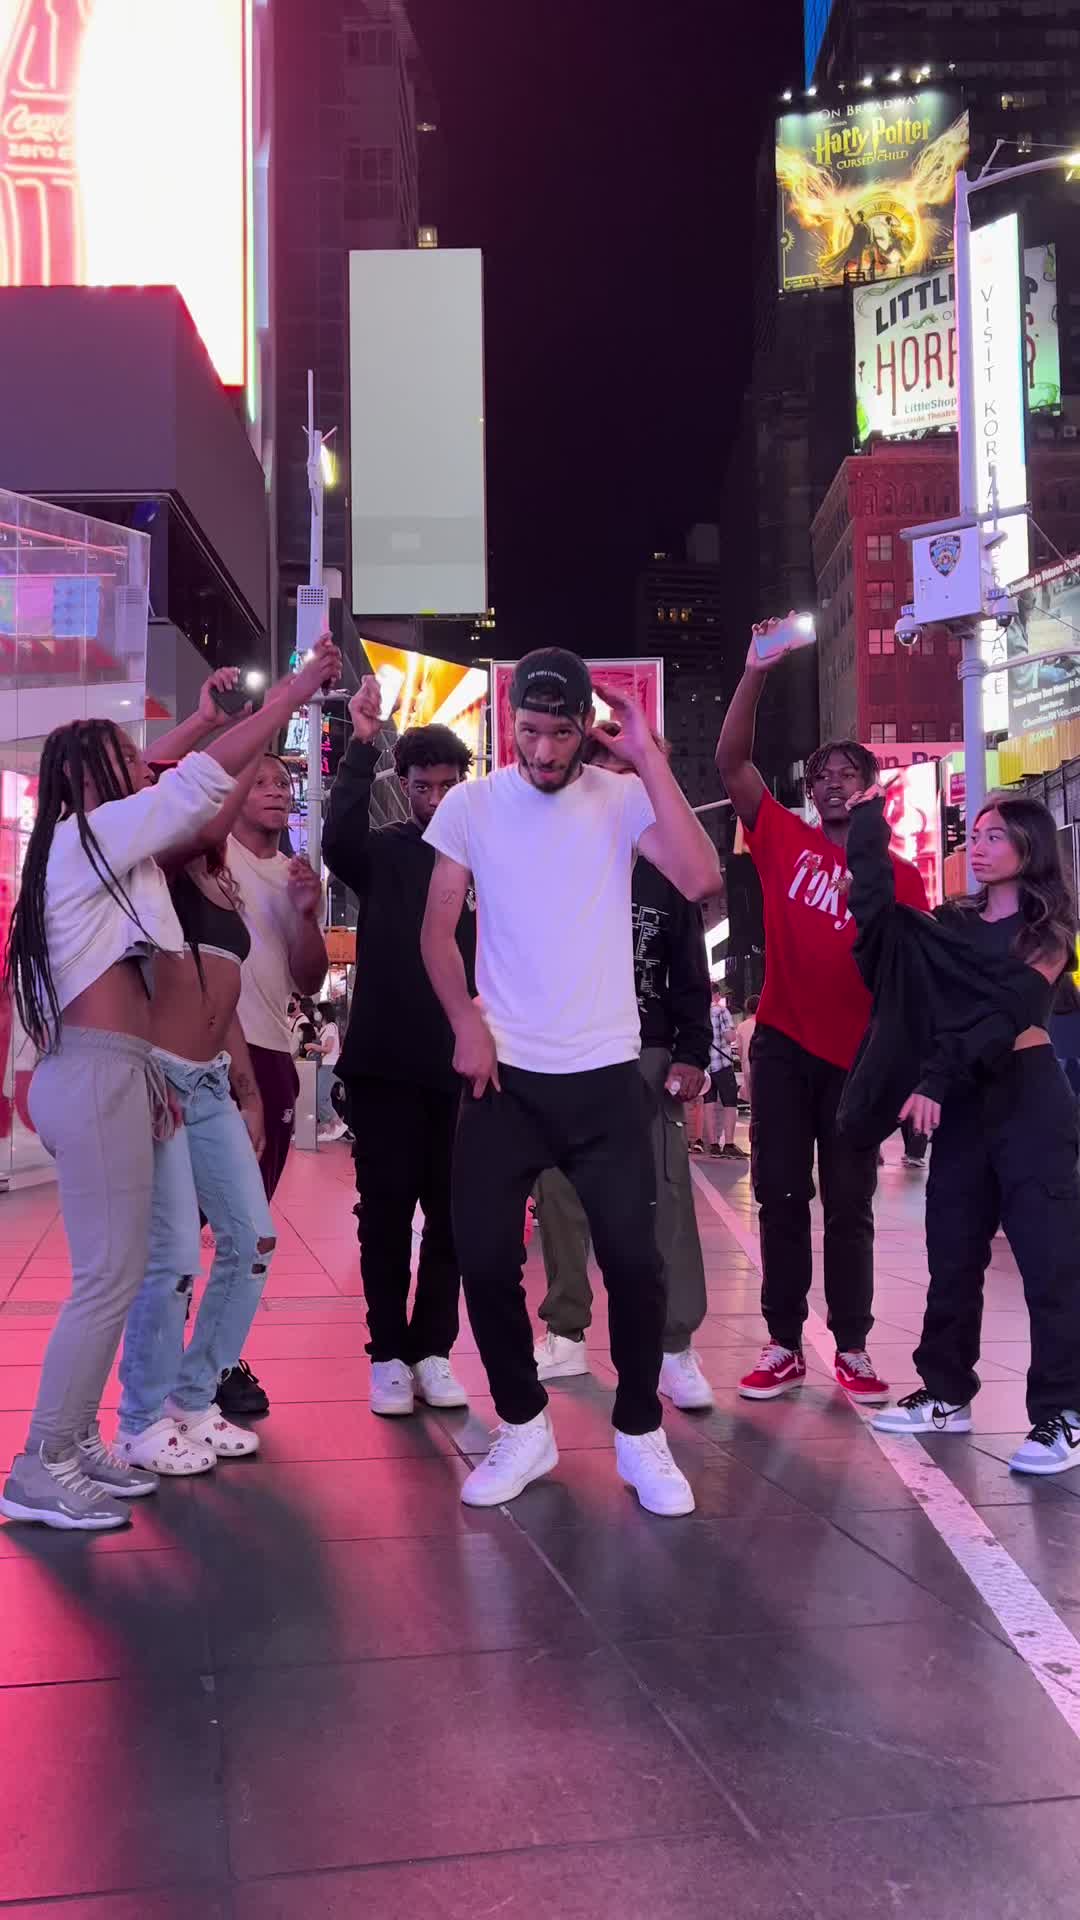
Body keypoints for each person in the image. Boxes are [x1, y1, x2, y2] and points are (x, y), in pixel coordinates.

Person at [0, 670, 316, 1529]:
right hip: (98, 1071)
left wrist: (205, 717)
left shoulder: (101, 848)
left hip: (120, 1069)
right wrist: (288, 699)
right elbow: (192, 784)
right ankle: (41, 1461)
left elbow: (166, 775)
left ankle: (74, 1441)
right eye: (127, 758)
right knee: (109, 1277)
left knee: (124, 1270)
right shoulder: (90, 837)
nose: (146, 765)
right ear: (89, 780)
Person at [421, 646, 721, 1515]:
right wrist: (465, 1023)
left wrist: (648, 755)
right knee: (482, 1256)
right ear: (508, 722)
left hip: (604, 1074)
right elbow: (437, 930)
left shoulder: (620, 799)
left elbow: (700, 877)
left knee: (634, 1263)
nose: (545, 751)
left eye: (560, 734)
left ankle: (639, 1432)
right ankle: (524, 1424)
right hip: (506, 1076)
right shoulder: (473, 805)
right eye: (529, 731)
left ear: (586, 727)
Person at [111, 643, 340, 1477]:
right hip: (160, 1077)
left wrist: (242, 1084)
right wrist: (275, 704)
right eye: (254, 781)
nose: (260, 789)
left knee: (251, 1239)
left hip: (214, 1078)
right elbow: (185, 779)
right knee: (174, 1257)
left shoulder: (230, 880)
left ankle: (194, 1397)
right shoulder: (167, 861)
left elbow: (230, 991)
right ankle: (141, 1417)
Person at [715, 615, 928, 1406]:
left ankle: (854, 1347)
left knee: (849, 1207)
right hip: (783, 1046)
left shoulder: (903, 879)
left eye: (847, 773)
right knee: (779, 1196)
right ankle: (782, 1344)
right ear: (809, 791)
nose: (831, 782)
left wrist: (913, 1073)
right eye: (821, 774)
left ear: (872, 788)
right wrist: (756, 668)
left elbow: (912, 985)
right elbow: (731, 762)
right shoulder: (782, 840)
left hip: (858, 1061)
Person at [842, 790, 1080, 1475]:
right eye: (974, 835)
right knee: (952, 1255)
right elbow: (880, 931)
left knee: (1050, 1262)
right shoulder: (951, 923)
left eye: (994, 835)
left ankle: (1064, 1413)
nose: (977, 846)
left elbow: (1007, 1013)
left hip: (1028, 1099)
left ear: (1031, 846)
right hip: (963, 1104)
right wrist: (866, 828)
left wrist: (936, 1080)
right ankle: (946, 1393)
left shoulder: (1049, 935)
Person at [532, 721, 715, 1411]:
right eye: (606, 766)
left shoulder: (669, 865)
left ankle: (674, 1345)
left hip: (645, 1053)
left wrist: (692, 1052)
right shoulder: (551, 855)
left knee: (664, 1201)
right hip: (562, 1050)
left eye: (633, 768)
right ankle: (565, 1331)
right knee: (559, 1195)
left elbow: (689, 971)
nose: (619, 780)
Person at [323, 680, 474, 1417]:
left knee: (454, 1216)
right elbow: (335, 842)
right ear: (404, 784)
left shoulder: (488, 858)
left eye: (447, 786)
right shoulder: (383, 852)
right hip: (383, 1066)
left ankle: (434, 1350)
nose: (435, 799)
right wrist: (360, 745)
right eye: (422, 787)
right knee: (383, 1213)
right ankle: (386, 1352)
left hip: (463, 1068)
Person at [217, 751, 332, 1419]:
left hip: (270, 1055)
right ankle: (178, 1364)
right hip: (202, 1055)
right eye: (257, 781)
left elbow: (310, 979)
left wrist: (307, 914)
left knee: (252, 1224)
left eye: (282, 783)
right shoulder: (210, 856)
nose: (274, 792)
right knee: (182, 1226)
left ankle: (221, 1356)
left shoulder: (294, 874)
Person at [703, 986, 745, 1159]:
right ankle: (728, 1144)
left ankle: (713, 1145)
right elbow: (730, 1037)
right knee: (730, 1103)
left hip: (706, 1066)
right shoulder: (721, 1011)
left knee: (709, 1103)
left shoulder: (700, 1012)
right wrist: (732, 1032)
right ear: (716, 994)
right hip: (722, 1064)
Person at [314, 999, 345, 1140]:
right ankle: (329, 1128)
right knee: (321, 1097)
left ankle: (338, 1124)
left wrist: (313, 1046)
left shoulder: (331, 1027)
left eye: (318, 1011)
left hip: (329, 1065)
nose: (316, 1014)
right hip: (324, 1065)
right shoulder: (325, 1028)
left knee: (320, 1097)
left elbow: (328, 1048)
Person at [736, 993, 759, 1104]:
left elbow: (739, 1050)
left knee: (752, 1102)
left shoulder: (741, 1027)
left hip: (747, 1066)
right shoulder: (765, 1025)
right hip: (764, 1065)